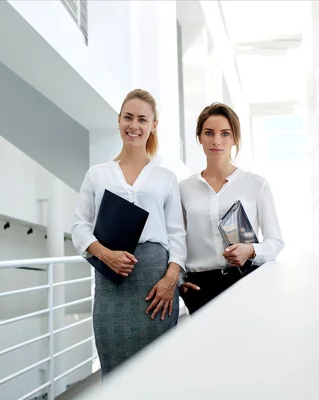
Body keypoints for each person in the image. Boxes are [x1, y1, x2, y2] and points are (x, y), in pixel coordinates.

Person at [71, 89, 186, 376]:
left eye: (142, 120)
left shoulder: (166, 178)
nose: (134, 126)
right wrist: (104, 254)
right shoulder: (98, 174)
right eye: (128, 117)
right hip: (112, 282)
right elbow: (79, 227)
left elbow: (177, 235)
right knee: (115, 373)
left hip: (156, 286)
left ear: (153, 126)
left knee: (159, 372)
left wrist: (171, 280)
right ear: (119, 120)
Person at [179, 103, 284, 315]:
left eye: (225, 134)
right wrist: (179, 282)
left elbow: (275, 242)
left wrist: (251, 250)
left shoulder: (256, 184)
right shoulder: (184, 189)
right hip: (200, 288)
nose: (217, 141)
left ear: (235, 138)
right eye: (209, 133)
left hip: (244, 282)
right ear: (199, 137)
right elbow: (177, 241)